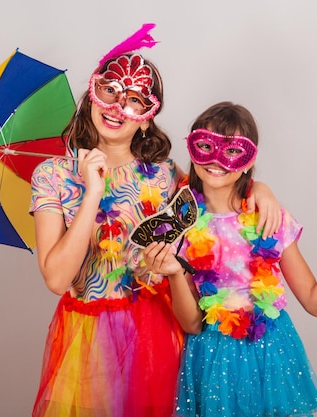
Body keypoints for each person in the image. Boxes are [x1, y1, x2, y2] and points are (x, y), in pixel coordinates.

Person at [28, 26, 282, 417]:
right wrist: (92, 193)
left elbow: (219, 192)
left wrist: (259, 187)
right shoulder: (53, 175)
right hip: (87, 336)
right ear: (91, 97)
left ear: (146, 119)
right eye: (110, 91)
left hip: (156, 333)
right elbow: (56, 279)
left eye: (134, 101)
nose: (117, 107)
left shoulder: (163, 174)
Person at [143, 101, 317, 417]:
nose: (216, 160)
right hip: (212, 355)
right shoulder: (181, 223)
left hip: (270, 352)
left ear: (248, 160)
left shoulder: (269, 218)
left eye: (231, 151)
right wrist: (173, 273)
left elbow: (314, 302)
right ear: (192, 148)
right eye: (205, 146)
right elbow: (192, 324)